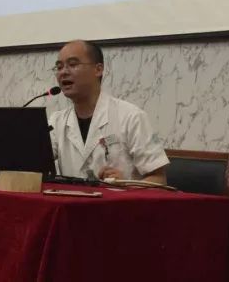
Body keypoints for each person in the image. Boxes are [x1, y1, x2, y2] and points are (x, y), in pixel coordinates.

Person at [49, 40, 169, 183]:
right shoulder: (56, 122)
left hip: (122, 198)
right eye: (59, 67)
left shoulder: (131, 117)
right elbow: (33, 165)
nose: (63, 72)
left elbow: (160, 179)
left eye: (73, 64)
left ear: (98, 69)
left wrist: (126, 185)